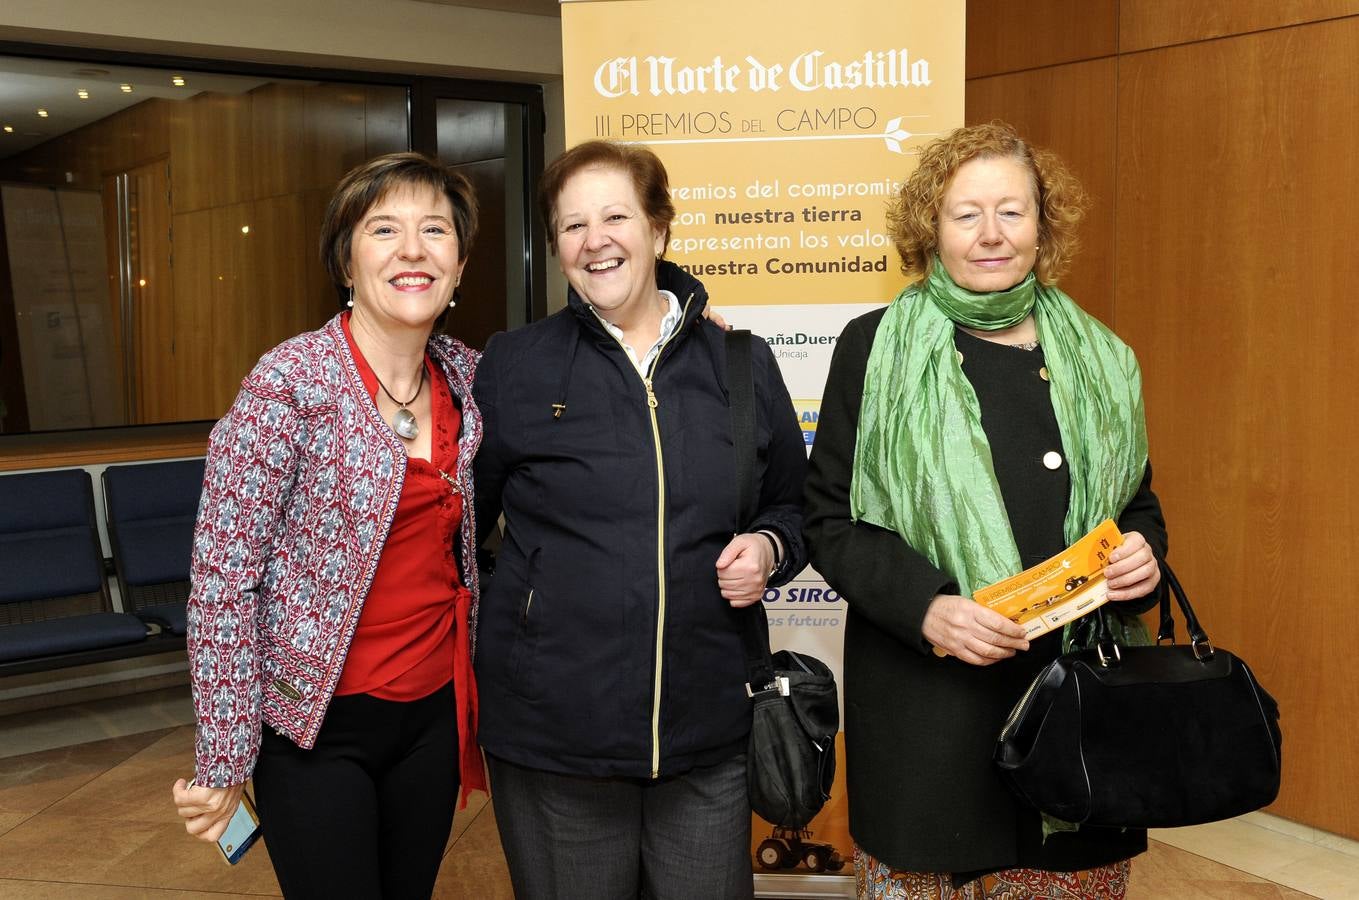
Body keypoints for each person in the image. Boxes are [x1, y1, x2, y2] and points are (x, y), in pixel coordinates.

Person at [803, 122, 1168, 899]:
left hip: (1077, 718)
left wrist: (1142, 555)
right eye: (965, 214)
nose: (991, 234)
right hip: (929, 721)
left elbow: (1136, 506)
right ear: (929, 230)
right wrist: (926, 608)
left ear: (1044, 223)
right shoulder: (873, 348)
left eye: (1012, 210)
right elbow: (828, 520)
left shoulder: (1100, 356)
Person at [472, 140, 807, 900]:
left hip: (707, 733)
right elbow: (464, 530)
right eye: (571, 225)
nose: (596, 240)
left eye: (616, 215)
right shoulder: (513, 366)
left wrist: (766, 545)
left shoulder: (740, 363)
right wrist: (529, 615)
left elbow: (794, 505)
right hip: (555, 738)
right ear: (556, 248)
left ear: (658, 230)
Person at [171, 152, 487, 899]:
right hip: (314, 730)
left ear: (460, 264)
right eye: (384, 229)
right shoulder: (286, 385)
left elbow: (590, 358)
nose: (412, 250)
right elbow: (222, 583)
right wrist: (222, 760)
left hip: (435, 719)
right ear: (347, 262)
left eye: (434, 230)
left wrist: (677, 308)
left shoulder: (475, 377)